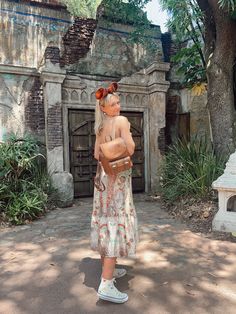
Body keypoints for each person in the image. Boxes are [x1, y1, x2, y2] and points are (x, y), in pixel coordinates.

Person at [91, 82, 139, 303]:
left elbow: (95, 154)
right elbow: (130, 148)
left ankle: (109, 268)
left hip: (102, 179)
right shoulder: (122, 121)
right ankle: (106, 283)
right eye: (114, 103)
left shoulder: (100, 127)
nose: (119, 106)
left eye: (119, 102)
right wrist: (121, 145)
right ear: (104, 107)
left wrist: (108, 150)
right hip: (117, 181)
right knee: (114, 225)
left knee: (105, 222)